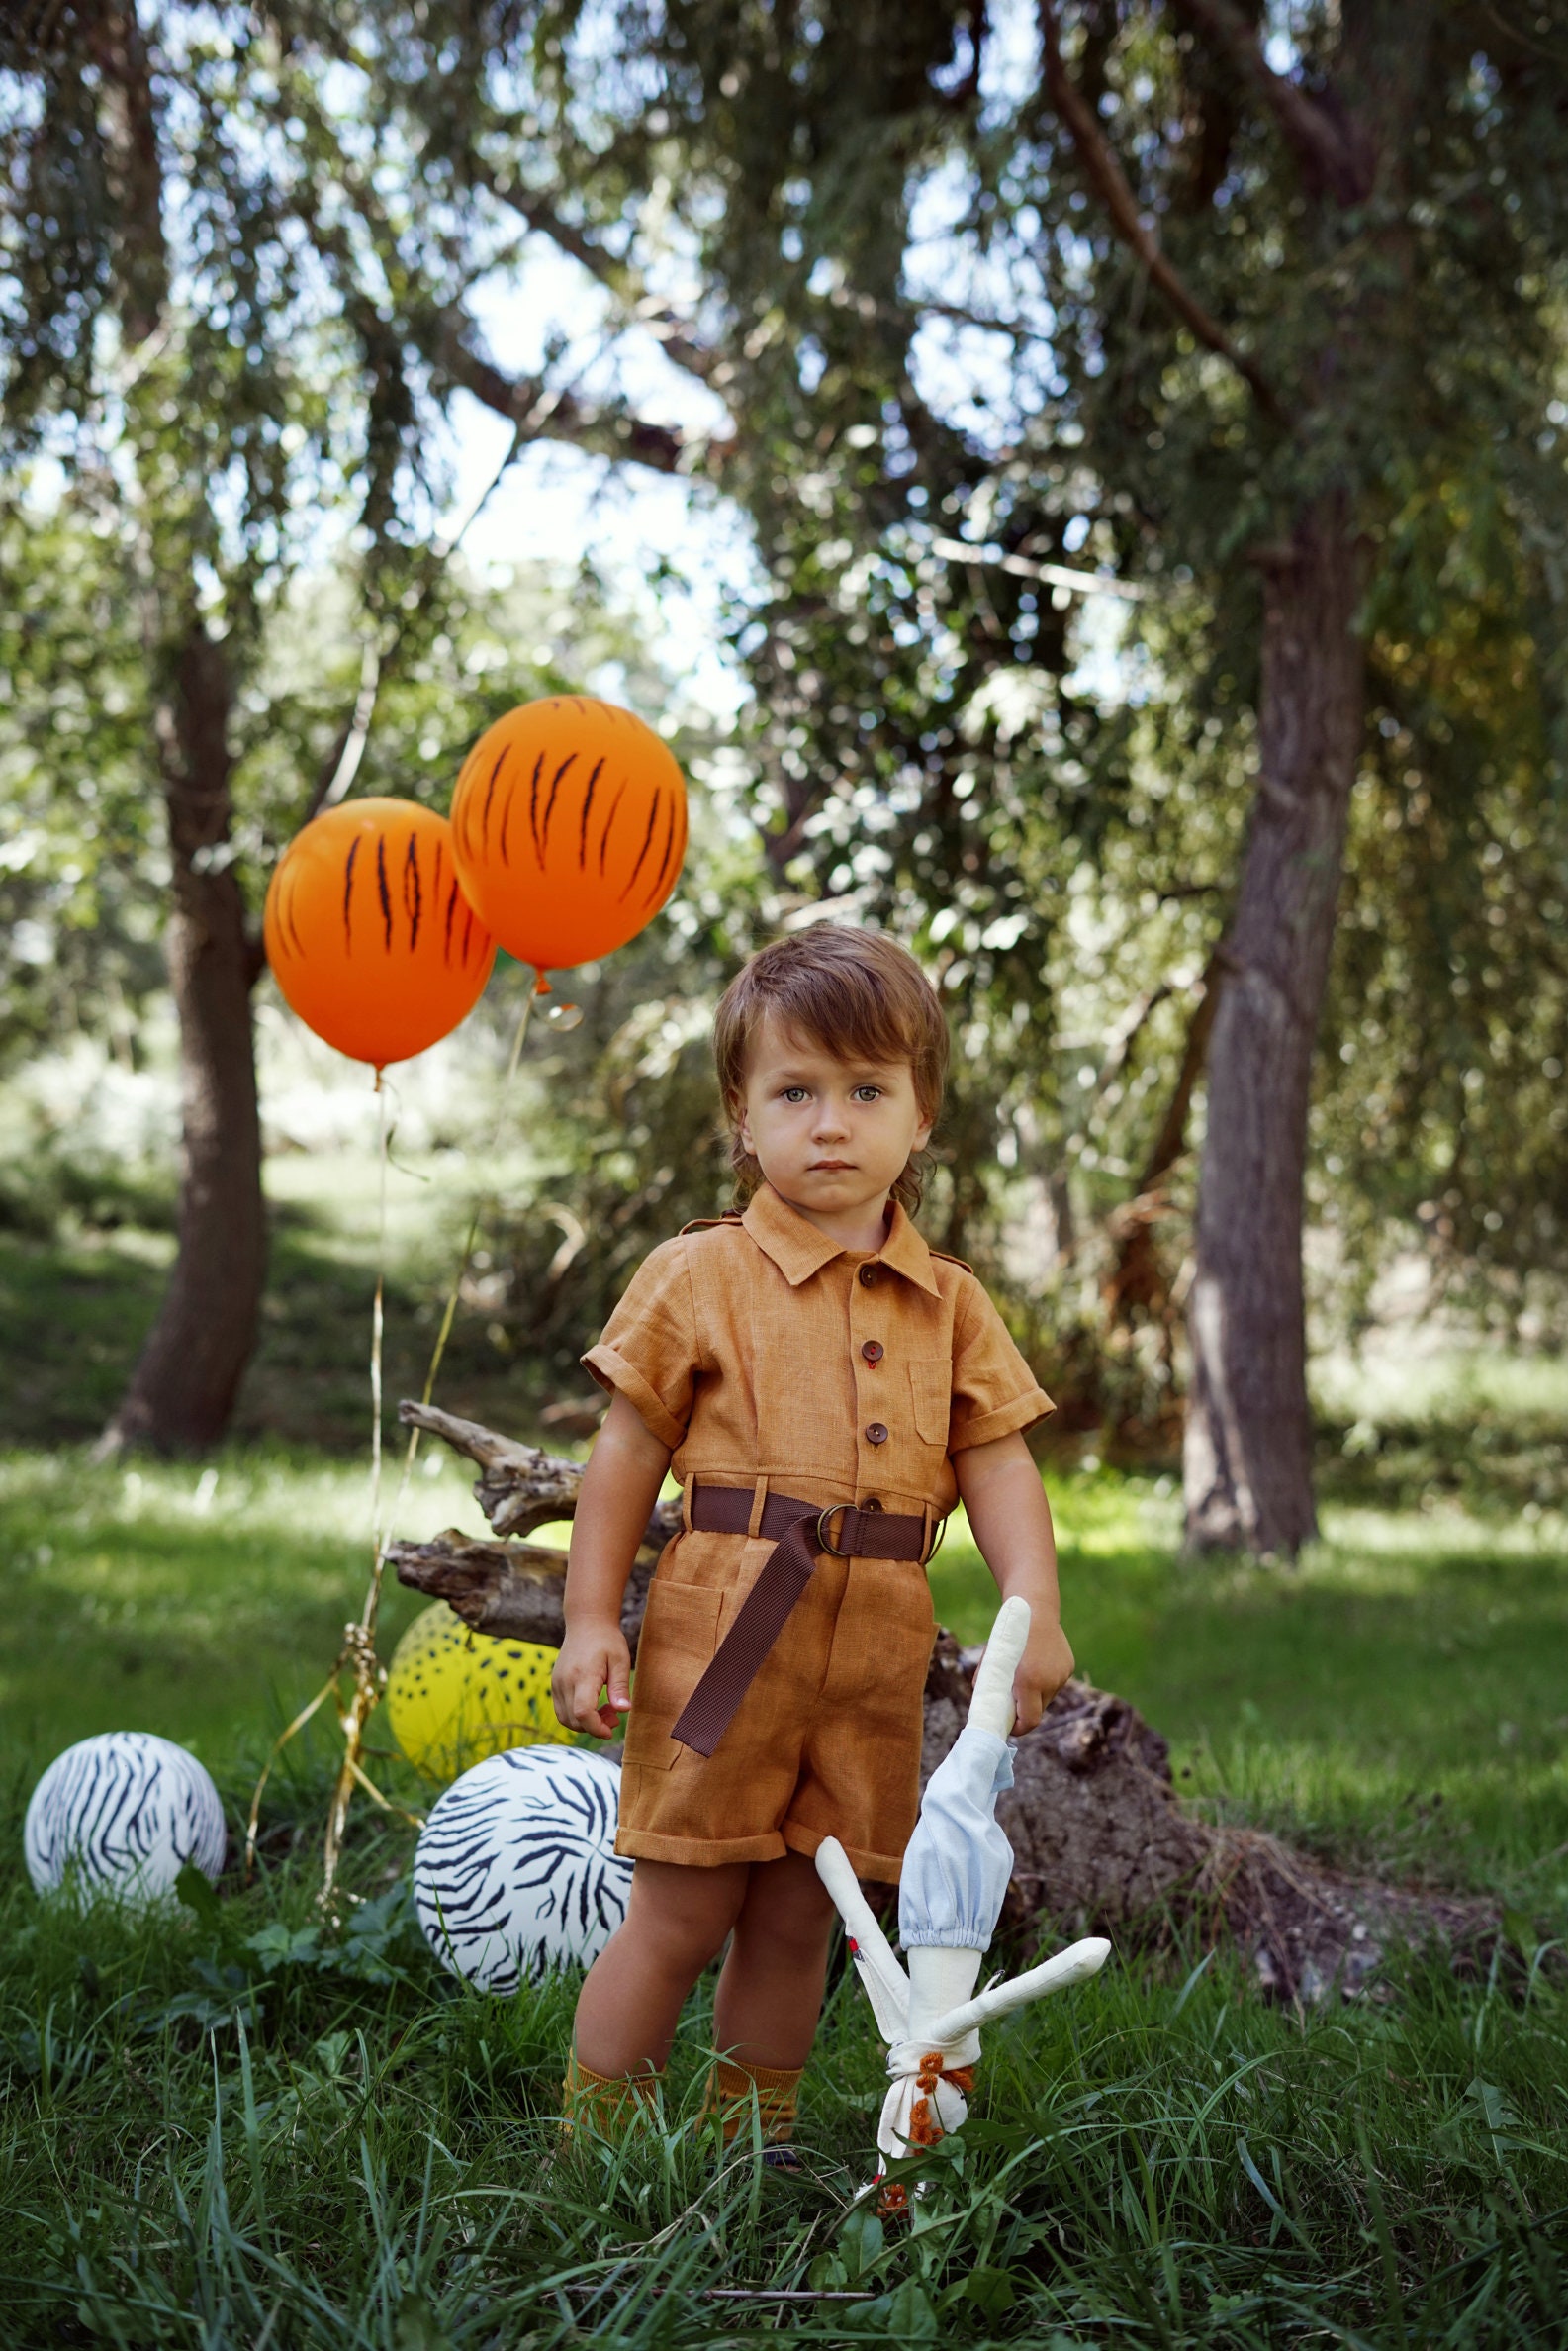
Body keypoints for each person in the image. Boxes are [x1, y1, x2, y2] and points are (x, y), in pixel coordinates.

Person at [550, 926, 1073, 2158]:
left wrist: (1032, 1607)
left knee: (805, 1917)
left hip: (874, 1651)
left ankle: (750, 2145)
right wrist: (587, 1618)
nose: (829, 1124)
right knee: (682, 1910)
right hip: (723, 1638)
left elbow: (996, 1457)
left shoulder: (950, 1301)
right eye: (795, 1093)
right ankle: (600, 2152)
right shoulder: (700, 1273)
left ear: (920, 1114)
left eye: (864, 1092)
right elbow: (625, 1452)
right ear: (742, 1115)